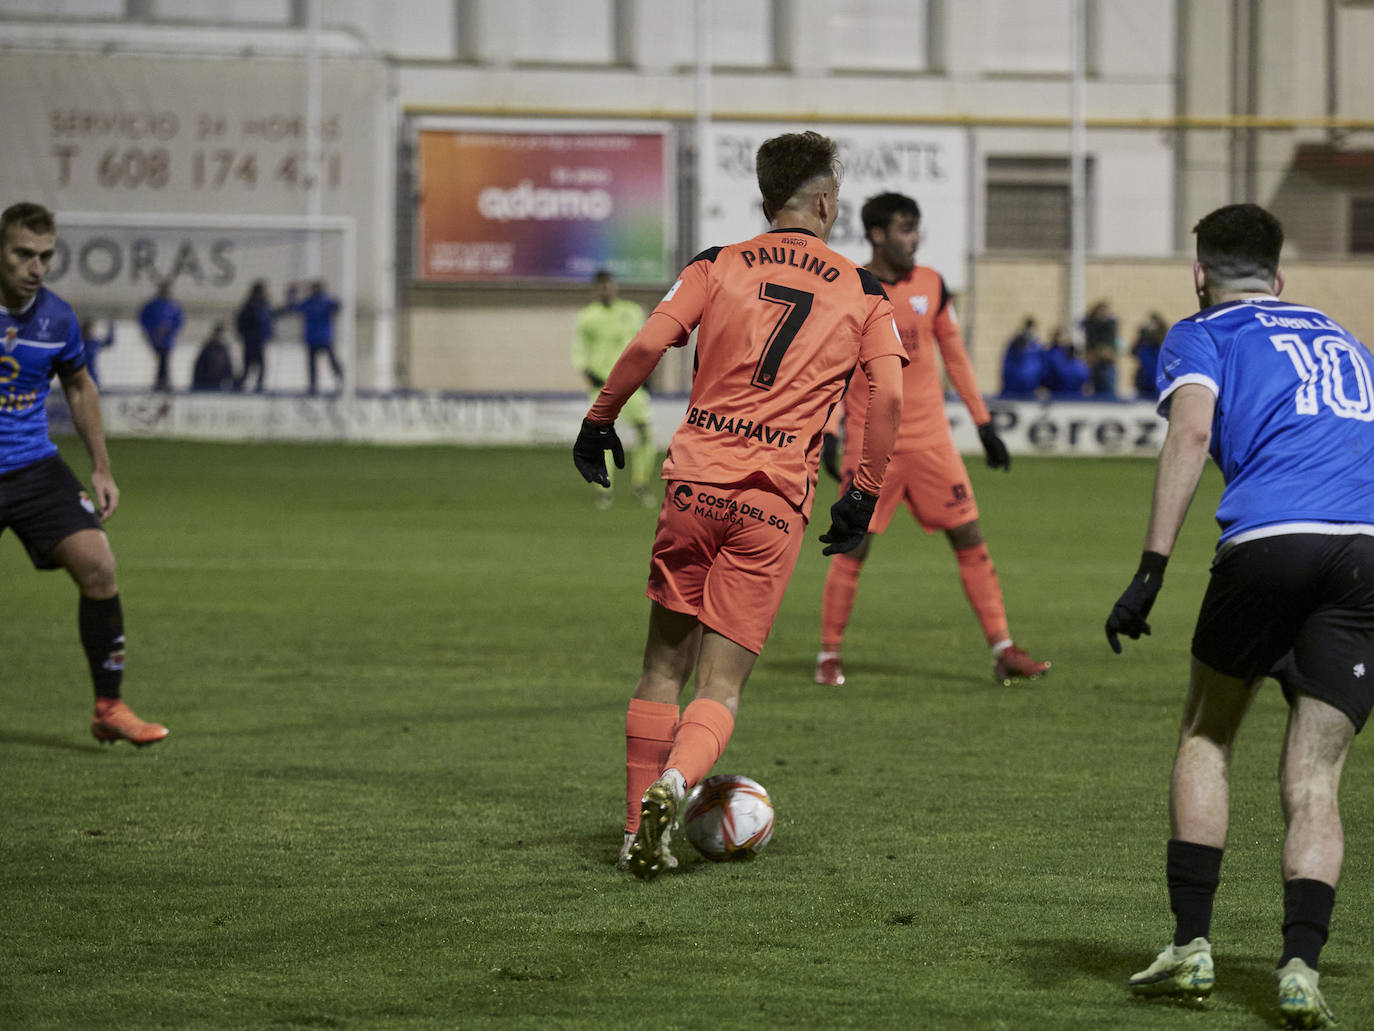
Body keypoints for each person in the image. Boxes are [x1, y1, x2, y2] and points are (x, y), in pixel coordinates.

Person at [572, 131, 906, 881]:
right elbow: (890, 397)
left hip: (692, 486)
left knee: (662, 666)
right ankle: (673, 784)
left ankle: (635, 832)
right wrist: (862, 490)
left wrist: (600, 420)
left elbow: (648, 340)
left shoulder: (716, 264)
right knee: (719, 684)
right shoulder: (863, 290)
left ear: (766, 200)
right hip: (770, 506)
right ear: (825, 203)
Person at [1106, 202, 1373, 1028]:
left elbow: (1189, 435)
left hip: (1269, 540)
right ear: (1280, 273)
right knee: (1316, 777)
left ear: (1199, 273)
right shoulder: (1345, 339)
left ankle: (1191, 947)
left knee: (1208, 732)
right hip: (1365, 551)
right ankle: (1298, 967)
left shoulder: (1203, 330)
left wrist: (1150, 569)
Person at [815, 192, 1049, 688]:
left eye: (916, 227)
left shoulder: (933, 285)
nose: (913, 238)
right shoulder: (851, 288)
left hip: (932, 443)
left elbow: (956, 357)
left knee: (970, 537)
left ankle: (1003, 649)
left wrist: (984, 424)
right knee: (853, 547)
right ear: (877, 234)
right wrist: (831, 431)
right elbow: (834, 370)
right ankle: (828, 655)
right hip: (870, 445)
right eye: (903, 228)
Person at [0, 202, 167, 747]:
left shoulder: (56, 318)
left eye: (45, 256)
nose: (36, 267)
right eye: (24, 254)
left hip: (33, 467)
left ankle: (109, 707)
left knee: (99, 566)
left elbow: (78, 385)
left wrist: (101, 466)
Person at [571, 270, 655, 508]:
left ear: (615, 287)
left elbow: (645, 343)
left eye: (608, 285)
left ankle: (641, 484)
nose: (605, 290)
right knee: (600, 437)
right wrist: (589, 373)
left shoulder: (632, 312)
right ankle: (604, 489)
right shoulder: (588, 317)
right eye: (600, 286)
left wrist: (648, 373)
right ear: (595, 290)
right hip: (603, 387)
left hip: (632, 386)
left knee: (645, 432)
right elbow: (579, 351)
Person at [288, 280, 343, 395]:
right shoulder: (310, 302)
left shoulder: (324, 302)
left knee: (331, 362)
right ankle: (313, 385)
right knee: (314, 364)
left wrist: (292, 294)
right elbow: (293, 307)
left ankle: (340, 381)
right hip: (315, 338)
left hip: (323, 337)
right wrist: (292, 293)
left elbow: (338, 306)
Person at [138, 279, 183, 392]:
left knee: (165, 360)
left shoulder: (173, 306)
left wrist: (170, 329)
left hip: (167, 340)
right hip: (155, 339)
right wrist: (153, 329)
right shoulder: (152, 305)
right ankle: (159, 382)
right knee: (160, 359)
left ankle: (164, 382)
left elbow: (179, 321)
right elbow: (143, 318)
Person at [234, 280, 275, 393]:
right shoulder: (252, 306)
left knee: (257, 365)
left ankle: (254, 385)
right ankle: (241, 385)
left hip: (258, 340)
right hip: (253, 340)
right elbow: (244, 322)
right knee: (251, 365)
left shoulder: (263, 305)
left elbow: (271, 316)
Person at [999, 316, 1046, 399]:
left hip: (1031, 389)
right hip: (1013, 388)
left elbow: (1041, 366)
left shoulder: (1036, 346)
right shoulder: (1016, 343)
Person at [1131, 311, 1167, 400]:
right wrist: (1142, 334)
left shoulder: (1163, 344)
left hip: (1158, 380)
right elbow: (1133, 352)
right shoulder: (1143, 344)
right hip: (1144, 380)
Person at [191, 322, 235, 392]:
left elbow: (228, 368)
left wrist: (231, 382)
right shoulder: (208, 348)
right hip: (205, 382)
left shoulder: (224, 349)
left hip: (218, 381)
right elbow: (199, 367)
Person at [79, 318, 114, 387]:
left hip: (90, 379)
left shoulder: (93, 343)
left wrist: (111, 326)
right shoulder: (85, 344)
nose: (90, 332)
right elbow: (109, 342)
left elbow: (109, 342)